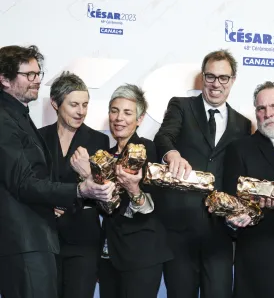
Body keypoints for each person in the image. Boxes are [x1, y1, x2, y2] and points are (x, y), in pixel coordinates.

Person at [0, 45, 114, 298]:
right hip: (26, 241)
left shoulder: (20, 116)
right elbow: (23, 182)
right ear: (4, 79)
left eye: (38, 73)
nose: (37, 79)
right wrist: (77, 189)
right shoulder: (7, 119)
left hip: (57, 240)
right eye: (28, 75)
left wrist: (87, 179)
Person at [153, 49, 251, 298]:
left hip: (219, 232)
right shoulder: (182, 106)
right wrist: (172, 154)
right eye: (210, 76)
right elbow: (164, 136)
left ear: (233, 81)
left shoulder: (243, 124)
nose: (216, 84)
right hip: (180, 229)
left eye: (223, 78)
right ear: (202, 78)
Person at [83, 84, 172, 298]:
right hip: (109, 254)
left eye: (127, 112)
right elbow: (103, 207)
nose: (119, 118)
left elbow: (154, 206)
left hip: (142, 255)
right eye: (114, 111)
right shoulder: (104, 155)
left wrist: (133, 190)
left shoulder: (149, 149)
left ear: (139, 119)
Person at [223, 81, 274, 298]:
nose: (268, 113)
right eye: (261, 108)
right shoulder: (240, 149)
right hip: (261, 266)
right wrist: (243, 215)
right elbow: (231, 205)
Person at [39, 71, 110, 298]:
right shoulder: (38, 138)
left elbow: (104, 192)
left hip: (83, 240)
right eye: (74, 105)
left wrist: (88, 174)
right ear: (55, 104)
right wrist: (47, 205)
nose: (81, 111)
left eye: (85, 105)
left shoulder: (99, 141)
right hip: (45, 237)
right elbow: (30, 184)